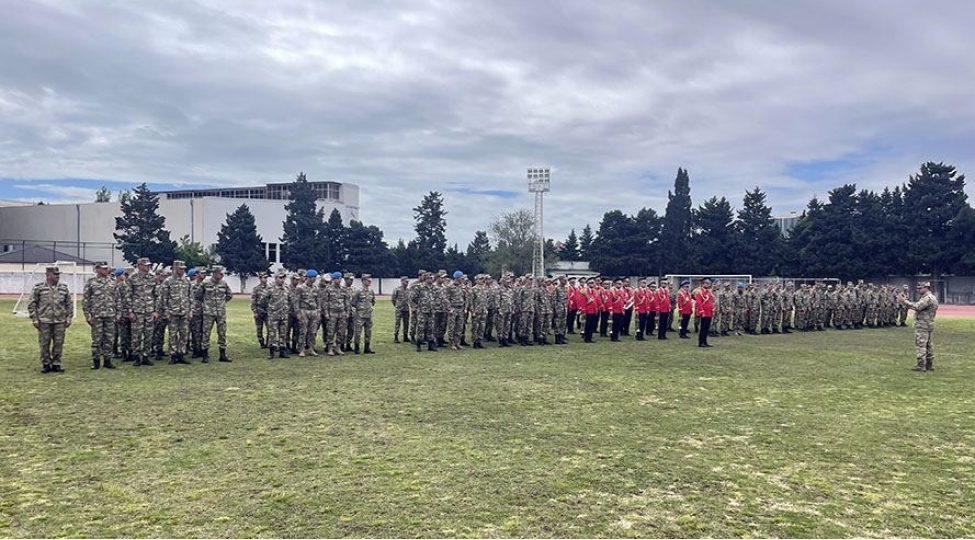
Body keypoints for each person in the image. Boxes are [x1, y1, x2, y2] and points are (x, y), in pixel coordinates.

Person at [28, 266, 74, 373]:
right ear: (48, 275)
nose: (57, 276)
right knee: (44, 343)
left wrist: (68, 318)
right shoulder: (39, 288)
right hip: (44, 320)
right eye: (55, 274)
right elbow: (32, 304)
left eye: (58, 274)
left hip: (60, 321)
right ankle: (46, 364)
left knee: (58, 343)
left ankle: (56, 363)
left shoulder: (63, 288)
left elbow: (69, 304)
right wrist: (34, 318)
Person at [83, 262, 120, 369]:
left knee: (109, 338)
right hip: (96, 315)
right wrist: (87, 315)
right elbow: (86, 299)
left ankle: (108, 360)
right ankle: (96, 361)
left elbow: (117, 299)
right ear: (98, 269)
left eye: (107, 268)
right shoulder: (91, 282)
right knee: (97, 339)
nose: (106, 270)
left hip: (110, 314)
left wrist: (118, 313)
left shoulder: (113, 282)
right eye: (103, 268)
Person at [196, 265, 234, 362]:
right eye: (220, 273)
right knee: (206, 333)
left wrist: (222, 302)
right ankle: (204, 355)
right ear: (215, 273)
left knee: (222, 333)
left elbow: (229, 295)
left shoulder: (224, 283)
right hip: (208, 312)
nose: (222, 275)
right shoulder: (205, 283)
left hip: (220, 313)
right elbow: (198, 295)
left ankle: (222, 354)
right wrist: (207, 304)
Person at [157, 260, 192, 365]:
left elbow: (191, 297)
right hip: (173, 312)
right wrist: (166, 311)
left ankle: (181, 354)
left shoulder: (187, 281)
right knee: (172, 334)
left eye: (183, 269)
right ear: (175, 268)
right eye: (181, 268)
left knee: (184, 334)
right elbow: (164, 298)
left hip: (184, 312)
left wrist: (190, 311)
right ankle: (173, 355)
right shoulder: (168, 281)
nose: (182, 270)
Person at [899, 281, 939, 372]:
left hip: (923, 324)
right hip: (929, 323)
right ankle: (929, 364)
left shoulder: (927, 298)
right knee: (929, 345)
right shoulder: (932, 297)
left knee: (921, 345)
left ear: (926, 288)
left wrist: (904, 301)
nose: (918, 290)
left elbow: (917, 307)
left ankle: (921, 365)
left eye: (920, 288)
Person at [127, 257, 157, 367]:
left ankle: (146, 356)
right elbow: (128, 295)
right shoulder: (132, 278)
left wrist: (155, 310)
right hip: (137, 311)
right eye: (145, 265)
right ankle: (136, 356)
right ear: (139, 266)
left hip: (149, 310)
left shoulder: (153, 278)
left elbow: (156, 295)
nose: (147, 267)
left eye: (148, 265)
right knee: (136, 335)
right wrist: (130, 311)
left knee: (149, 335)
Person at [263, 269, 292, 359]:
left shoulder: (287, 287)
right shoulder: (270, 288)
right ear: (276, 278)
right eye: (280, 278)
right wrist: (271, 308)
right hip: (273, 315)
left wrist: (287, 308)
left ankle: (282, 351)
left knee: (283, 333)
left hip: (284, 315)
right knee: (272, 334)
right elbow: (263, 299)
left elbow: (290, 299)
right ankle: (271, 351)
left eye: (284, 278)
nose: (282, 280)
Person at [351, 274, 377, 354]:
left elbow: (373, 301)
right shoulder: (358, 291)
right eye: (367, 280)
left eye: (370, 280)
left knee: (368, 332)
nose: (369, 282)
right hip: (360, 315)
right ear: (363, 281)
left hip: (368, 315)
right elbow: (353, 302)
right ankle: (357, 348)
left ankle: (367, 347)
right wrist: (359, 309)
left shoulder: (371, 291)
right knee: (358, 332)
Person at [695, 278, 715, 348]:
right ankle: (701, 342)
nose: (708, 284)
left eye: (708, 283)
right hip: (704, 312)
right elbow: (699, 303)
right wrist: (701, 311)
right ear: (703, 284)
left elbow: (711, 301)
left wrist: (712, 309)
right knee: (703, 327)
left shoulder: (708, 292)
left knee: (706, 328)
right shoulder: (699, 292)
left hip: (709, 312)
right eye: (706, 283)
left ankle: (705, 341)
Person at [251, 272, 269, 348]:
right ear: (260, 278)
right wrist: (255, 311)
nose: (265, 279)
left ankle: (269, 343)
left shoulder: (270, 288)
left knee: (270, 328)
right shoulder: (256, 289)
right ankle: (261, 342)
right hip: (259, 310)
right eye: (264, 278)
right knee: (259, 328)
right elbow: (253, 301)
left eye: (266, 278)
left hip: (268, 311)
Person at [391, 276, 410, 343]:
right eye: (406, 282)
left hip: (406, 309)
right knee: (397, 323)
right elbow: (393, 299)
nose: (407, 283)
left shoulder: (408, 290)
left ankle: (405, 336)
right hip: (399, 309)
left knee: (406, 323)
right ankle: (396, 336)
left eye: (408, 282)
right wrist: (397, 306)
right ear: (402, 281)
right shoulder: (397, 289)